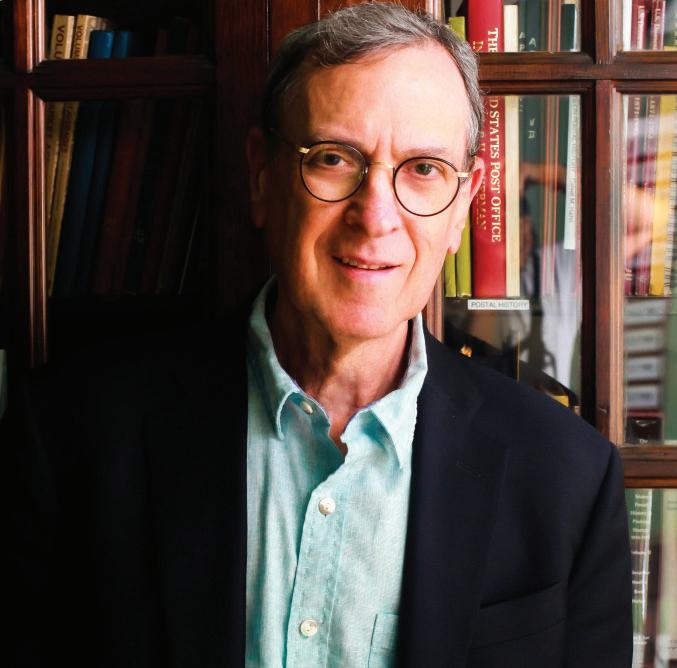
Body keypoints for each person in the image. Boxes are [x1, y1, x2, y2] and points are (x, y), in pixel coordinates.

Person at [6, 4, 632, 667]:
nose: (376, 217)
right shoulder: (72, 433)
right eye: (334, 158)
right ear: (262, 175)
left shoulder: (570, 479)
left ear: (462, 206)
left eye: (423, 169)